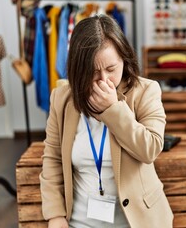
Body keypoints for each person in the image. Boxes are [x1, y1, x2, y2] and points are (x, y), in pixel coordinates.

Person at [39, 14, 173, 228]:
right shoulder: (62, 98)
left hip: (136, 222)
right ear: (78, 70)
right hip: (79, 222)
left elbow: (150, 149)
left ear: (124, 60)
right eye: (93, 72)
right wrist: (55, 215)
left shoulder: (146, 91)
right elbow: (53, 158)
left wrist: (112, 110)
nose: (103, 80)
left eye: (111, 69)